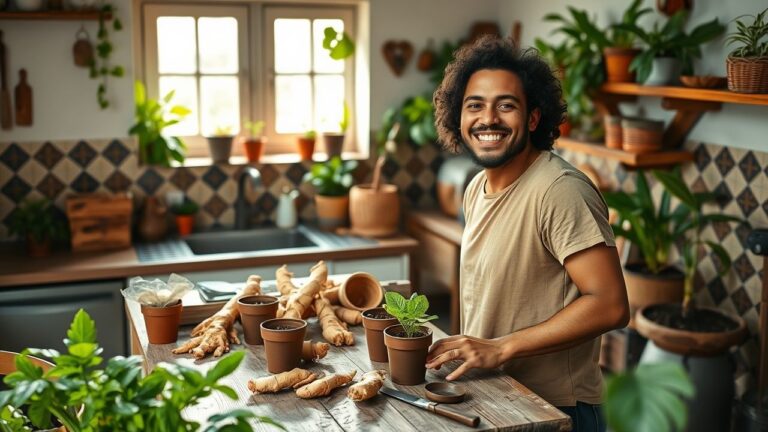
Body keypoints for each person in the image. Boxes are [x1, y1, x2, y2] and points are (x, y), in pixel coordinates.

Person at [426, 35, 629, 432]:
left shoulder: (560, 190)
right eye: (475, 106)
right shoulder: (475, 189)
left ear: (533, 119)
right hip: (498, 400)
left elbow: (611, 305)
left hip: (557, 412)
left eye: (506, 105)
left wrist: (500, 348)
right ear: (459, 118)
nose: (489, 118)